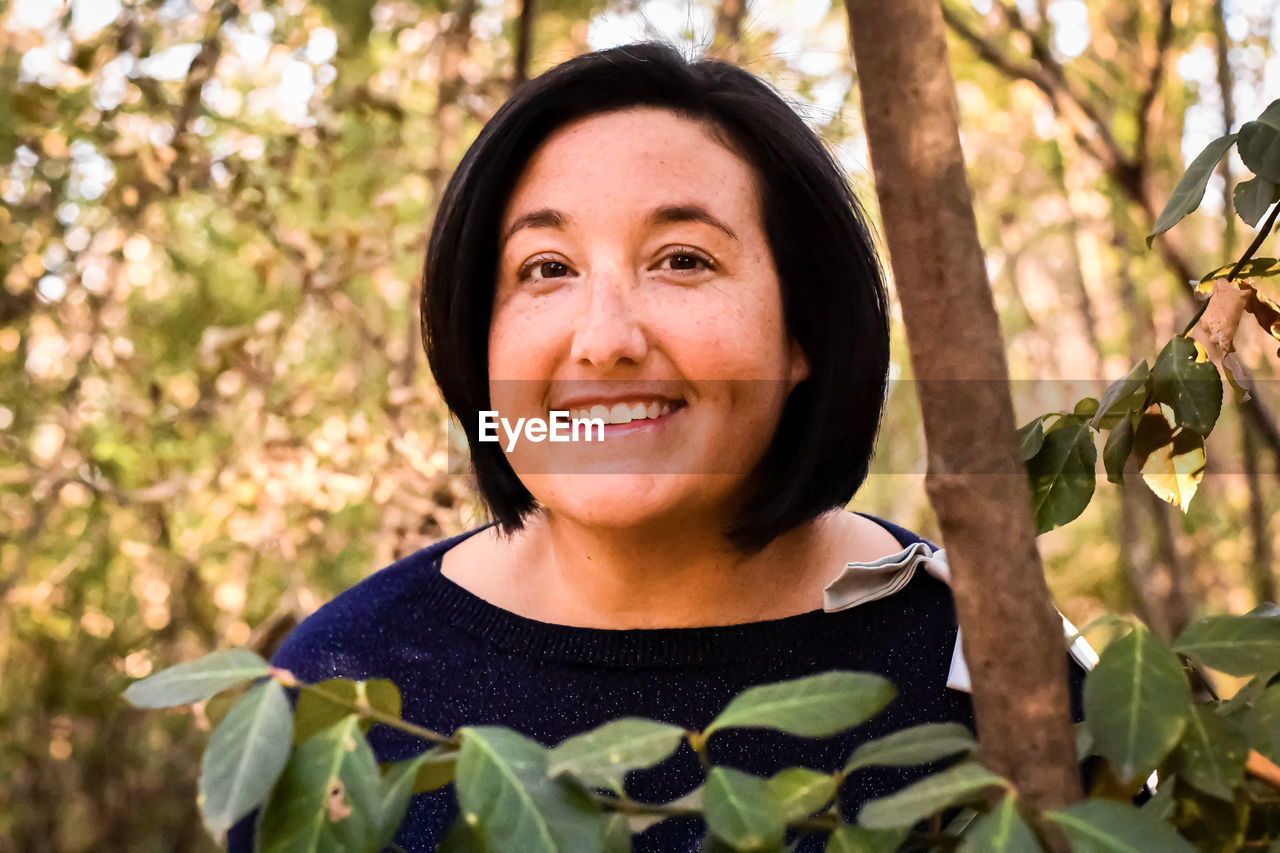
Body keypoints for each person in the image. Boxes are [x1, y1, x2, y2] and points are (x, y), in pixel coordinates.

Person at [228, 41, 1086, 852]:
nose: (603, 340)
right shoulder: (340, 685)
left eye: (681, 259)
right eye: (546, 269)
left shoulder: (988, 660)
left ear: (804, 332)